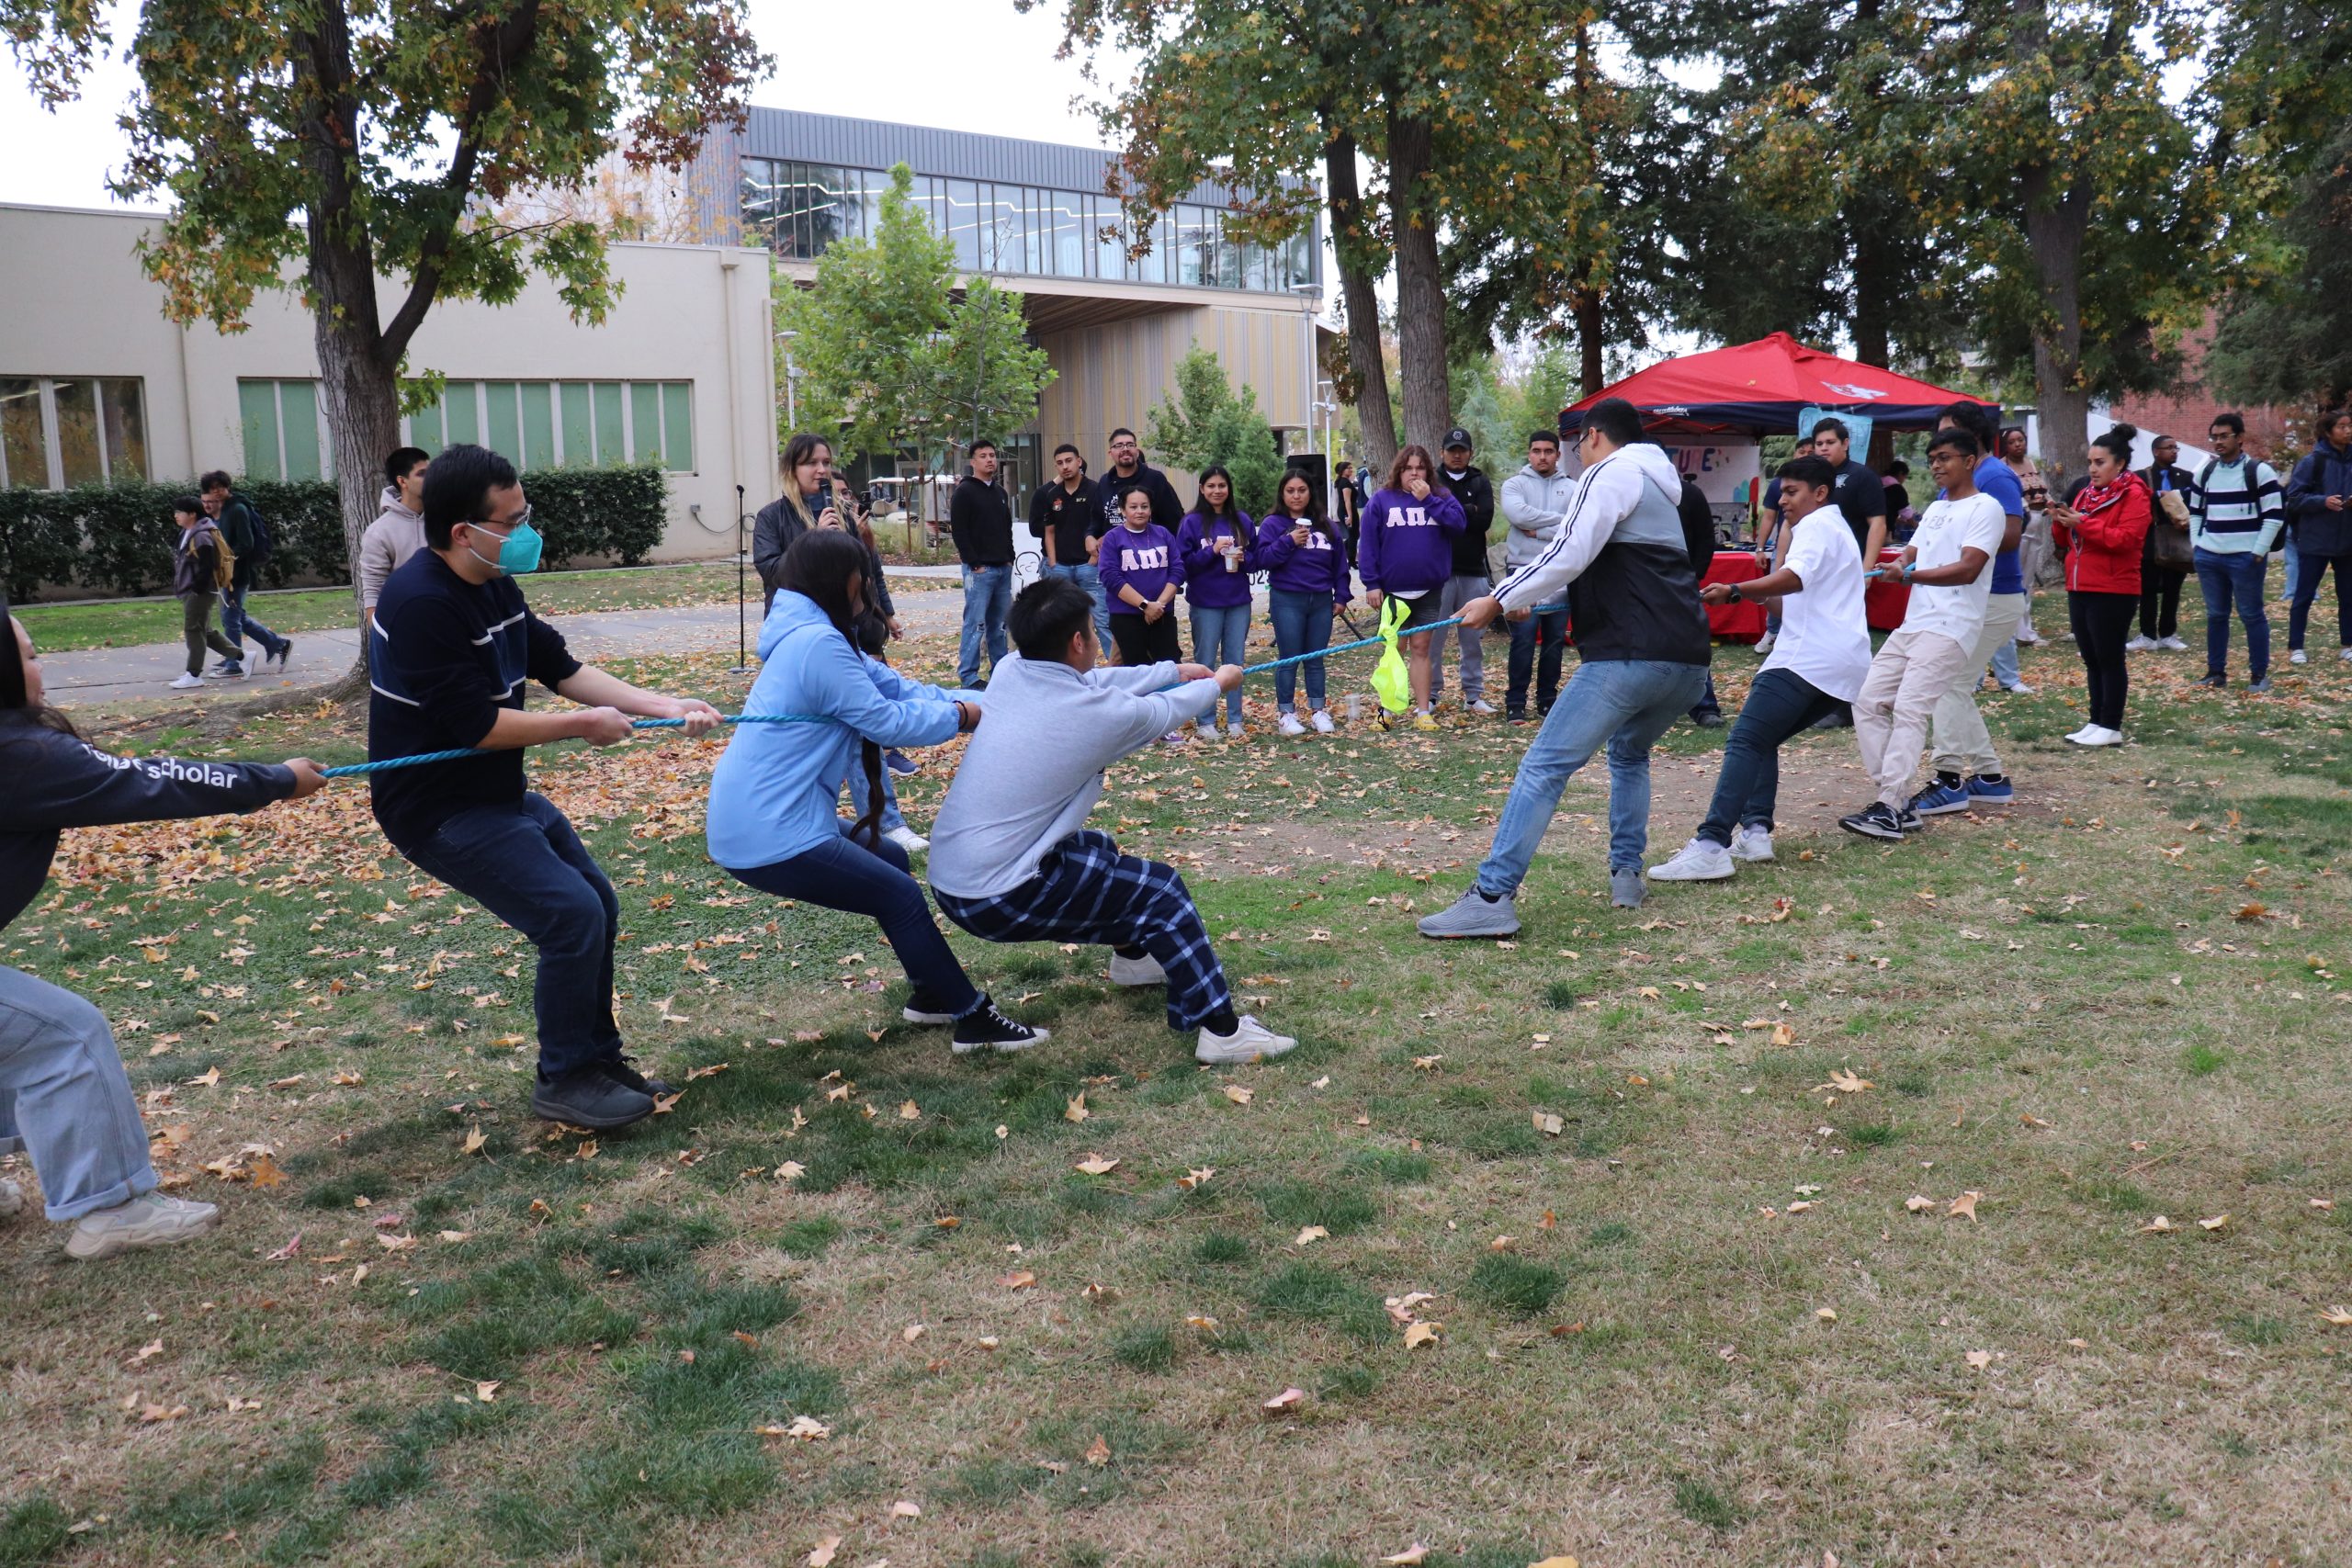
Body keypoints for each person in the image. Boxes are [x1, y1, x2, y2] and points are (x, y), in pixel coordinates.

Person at [368, 444, 723, 1130]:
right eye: (514, 518)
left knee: (596, 903)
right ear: (464, 531)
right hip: (437, 808)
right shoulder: (420, 604)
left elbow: (559, 665)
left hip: (495, 794)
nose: (527, 529)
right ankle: (564, 1078)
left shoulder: (493, 579)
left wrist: (665, 704)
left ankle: (598, 1059)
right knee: (569, 914)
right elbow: (473, 725)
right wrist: (579, 726)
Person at [1, 596, 327, 1258]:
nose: (41, 667)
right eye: (29, 657)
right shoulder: (22, 755)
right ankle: (112, 1206)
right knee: (65, 1035)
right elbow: (153, 778)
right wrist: (275, 780)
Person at [927, 576, 1296, 1066]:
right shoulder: (1095, 716)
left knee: (1097, 850)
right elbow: (1162, 711)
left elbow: (1101, 680)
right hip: (995, 896)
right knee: (1161, 891)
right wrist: (1216, 684)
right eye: (1093, 632)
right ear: (1078, 641)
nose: (1100, 642)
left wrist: (1173, 669)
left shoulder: (1014, 669)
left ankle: (1133, 961)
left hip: (954, 879)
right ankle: (1223, 1032)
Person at [706, 532, 1042, 1055]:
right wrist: (960, 716)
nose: (869, 585)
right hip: (766, 830)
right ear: (842, 581)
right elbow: (885, 721)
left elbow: (896, 689)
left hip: (767, 816)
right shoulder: (817, 644)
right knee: (900, 895)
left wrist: (988, 699)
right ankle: (973, 1019)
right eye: (863, 574)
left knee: (889, 859)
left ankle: (931, 994)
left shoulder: (816, 634)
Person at [1417, 396, 1713, 926]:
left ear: (1594, 436)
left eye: (1578, 445)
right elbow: (1616, 566)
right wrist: (1534, 596)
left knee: (1543, 767)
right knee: (1628, 754)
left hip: (1630, 657)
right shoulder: (1665, 491)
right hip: (1689, 663)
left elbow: (1569, 551)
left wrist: (1499, 597)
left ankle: (1490, 900)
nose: (1578, 455)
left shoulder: (1611, 473)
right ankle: (1627, 877)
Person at [1651, 456, 1871, 882]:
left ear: (1820, 493)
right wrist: (1754, 591)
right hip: (1843, 663)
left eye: (1791, 492)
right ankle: (1755, 831)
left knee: (1746, 739)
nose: (1782, 500)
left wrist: (1735, 590)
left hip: (1809, 657)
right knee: (1762, 738)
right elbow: (1789, 597)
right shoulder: (1837, 528)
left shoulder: (1817, 526)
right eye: (1782, 491)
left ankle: (1712, 844)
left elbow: (1794, 579)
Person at [1839, 427, 2006, 840]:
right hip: (1914, 625)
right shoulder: (1935, 508)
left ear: (1969, 461)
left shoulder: (1986, 508)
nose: (1935, 465)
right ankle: (1893, 801)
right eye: (1932, 459)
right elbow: (1912, 553)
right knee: (1868, 701)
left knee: (1911, 709)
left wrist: (1909, 576)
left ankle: (1890, 806)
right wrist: (1885, 566)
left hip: (1952, 628)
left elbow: (1968, 569)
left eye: (1945, 457)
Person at [752, 434, 918, 845]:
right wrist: (813, 543)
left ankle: (888, 824)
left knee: (862, 729)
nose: (821, 471)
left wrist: (882, 616)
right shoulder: (772, 517)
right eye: (811, 463)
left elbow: (865, 571)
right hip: (797, 642)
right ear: (792, 469)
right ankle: (796, 820)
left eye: (826, 462)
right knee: (802, 736)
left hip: (842, 638)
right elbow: (771, 570)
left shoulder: (841, 513)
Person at [1912, 400, 2029, 816]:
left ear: (1971, 442)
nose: (1938, 448)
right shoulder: (1954, 484)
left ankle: (1948, 780)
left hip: (1993, 596)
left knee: (1948, 683)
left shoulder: (1993, 475)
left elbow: (2011, 536)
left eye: (1947, 435)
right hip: (1963, 599)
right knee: (1954, 684)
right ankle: (1990, 778)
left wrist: (1963, 556)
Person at [2048, 424, 2151, 745]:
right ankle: (2096, 721)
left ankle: (2111, 725)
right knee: (2091, 657)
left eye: (2100, 462)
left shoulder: (2134, 493)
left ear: (2119, 463)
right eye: (2090, 462)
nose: (2092, 469)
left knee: (2109, 657)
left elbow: (2127, 540)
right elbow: (2067, 540)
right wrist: (2060, 521)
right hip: (2080, 584)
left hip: (2114, 587)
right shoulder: (2084, 493)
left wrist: (2084, 523)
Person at [1359, 445, 1468, 731]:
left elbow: (1458, 525)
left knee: (1422, 649)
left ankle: (1423, 712)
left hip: (1429, 590)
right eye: (1409, 468)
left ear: (1428, 471)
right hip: (1393, 592)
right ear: (1400, 470)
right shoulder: (1382, 500)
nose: (1415, 473)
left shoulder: (1440, 496)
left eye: (1420, 468)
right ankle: (1387, 711)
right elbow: (1368, 543)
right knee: (1394, 649)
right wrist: (1372, 583)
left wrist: (1428, 500)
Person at [2188, 410, 2285, 687]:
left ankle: (2259, 674)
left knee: (2252, 614)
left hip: (2246, 557)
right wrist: (2197, 545)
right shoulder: (2205, 473)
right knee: (2216, 615)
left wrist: (2258, 551)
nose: (2217, 442)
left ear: (2240, 438)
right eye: (2214, 437)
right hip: (2209, 555)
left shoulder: (2259, 471)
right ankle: (2215, 673)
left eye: (2224, 436)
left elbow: (2274, 515)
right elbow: (2195, 512)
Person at [1257, 468, 1353, 735]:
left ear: (1310, 493)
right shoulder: (1273, 524)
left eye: (1302, 490)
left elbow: (1339, 565)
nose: (1296, 496)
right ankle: (1286, 714)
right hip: (1287, 599)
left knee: (1316, 658)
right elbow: (1262, 559)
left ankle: (1318, 710)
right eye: (1290, 491)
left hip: (1321, 600)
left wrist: (1341, 596)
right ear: (1282, 493)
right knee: (1289, 658)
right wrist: (1287, 542)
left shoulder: (1326, 524)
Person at [1099, 479, 1188, 737]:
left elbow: (1177, 569)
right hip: (1127, 615)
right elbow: (1111, 577)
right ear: (1123, 511)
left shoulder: (1163, 534)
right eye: (1134, 507)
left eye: (1144, 506)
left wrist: (1159, 604)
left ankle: (1167, 724)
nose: (1140, 511)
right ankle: (1140, 725)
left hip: (1162, 613)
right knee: (1136, 669)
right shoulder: (1114, 538)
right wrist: (1144, 605)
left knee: (1166, 665)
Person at [1498, 429, 1576, 722]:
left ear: (1558, 454)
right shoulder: (1514, 485)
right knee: (1524, 638)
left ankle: (1547, 698)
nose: (1542, 456)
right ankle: (1516, 700)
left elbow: (1578, 524)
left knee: (1555, 640)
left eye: (1548, 451)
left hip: (1559, 571)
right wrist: (1561, 523)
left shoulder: (1572, 488)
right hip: (1522, 571)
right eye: (1536, 451)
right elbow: (1518, 516)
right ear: (1529, 453)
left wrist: (1541, 530)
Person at [1177, 465, 1256, 739]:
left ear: (1228, 489)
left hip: (1238, 602)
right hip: (1205, 603)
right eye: (1211, 486)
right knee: (1205, 661)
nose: (1217, 491)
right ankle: (1205, 721)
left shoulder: (1242, 520)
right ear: (1202, 489)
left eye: (1222, 486)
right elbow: (1184, 565)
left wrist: (1247, 559)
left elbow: (1257, 558)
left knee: (1235, 661)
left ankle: (1235, 719)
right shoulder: (1191, 522)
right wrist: (1211, 551)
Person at [1427, 427, 1498, 715]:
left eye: (1462, 450)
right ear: (1442, 452)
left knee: (1473, 638)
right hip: (1439, 571)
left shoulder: (1479, 479)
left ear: (1470, 453)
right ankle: (1430, 694)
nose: (1457, 455)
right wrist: (1467, 509)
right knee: (1434, 638)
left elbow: (1485, 519)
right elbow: (1432, 517)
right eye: (1452, 450)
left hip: (1473, 569)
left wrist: (1452, 510)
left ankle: (1473, 695)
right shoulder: (1432, 479)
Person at [199, 471, 292, 677]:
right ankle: (277, 644)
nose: (217, 492)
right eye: (212, 489)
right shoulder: (222, 511)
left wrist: (226, 558)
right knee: (236, 616)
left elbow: (246, 543)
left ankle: (234, 664)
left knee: (231, 619)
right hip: (226, 572)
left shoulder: (237, 509)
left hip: (236, 573)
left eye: (220, 488)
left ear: (227, 488)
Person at [2284, 407, 2352, 666]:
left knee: (2348, 596)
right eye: (2342, 427)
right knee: (2304, 595)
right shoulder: (2313, 461)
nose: (2347, 431)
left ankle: (2348, 644)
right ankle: (2296, 646)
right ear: (2327, 432)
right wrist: (2323, 501)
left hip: (2347, 539)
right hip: (2315, 539)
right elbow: (2294, 498)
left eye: (2350, 425)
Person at [948, 438, 1016, 689]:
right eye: (984, 456)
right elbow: (960, 532)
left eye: (992, 455)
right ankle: (969, 676)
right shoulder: (964, 492)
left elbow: (1006, 528)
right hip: (980, 571)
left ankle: (1000, 673)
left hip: (1002, 568)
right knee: (975, 624)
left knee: (999, 625)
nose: (990, 460)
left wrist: (1010, 558)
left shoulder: (999, 492)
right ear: (973, 462)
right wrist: (974, 563)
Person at [1028, 443, 1108, 645]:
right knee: (1061, 622)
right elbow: (1049, 531)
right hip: (1060, 568)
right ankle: (1063, 668)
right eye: (1060, 463)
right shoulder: (1052, 494)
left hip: (1088, 567)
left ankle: (1115, 668)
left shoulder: (1095, 490)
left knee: (1102, 619)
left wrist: (1094, 557)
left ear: (1079, 462)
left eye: (1069, 461)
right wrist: (1053, 562)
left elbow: (1104, 527)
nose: (1065, 466)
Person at [1751, 432, 1819, 657]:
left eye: (1811, 452)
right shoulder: (1778, 487)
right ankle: (1772, 633)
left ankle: (1798, 636)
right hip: (1784, 545)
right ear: (1794, 453)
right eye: (1802, 452)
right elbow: (1771, 518)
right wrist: (1761, 548)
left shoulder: (1823, 516)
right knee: (1777, 586)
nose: (1784, 499)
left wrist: (1738, 590)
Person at [167, 495, 243, 691]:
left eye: (179, 512)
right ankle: (241, 656)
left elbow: (207, 565)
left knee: (193, 630)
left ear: (192, 514)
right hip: (192, 589)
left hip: (199, 590)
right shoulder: (188, 531)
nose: (176, 515)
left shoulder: (201, 535)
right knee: (205, 632)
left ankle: (193, 674)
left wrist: (196, 589)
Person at [2130, 435, 2194, 652]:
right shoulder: (2141, 477)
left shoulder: (2186, 477)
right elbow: (2136, 500)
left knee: (2172, 588)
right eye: (2169, 448)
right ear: (2156, 451)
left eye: (2176, 447)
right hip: (2150, 541)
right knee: (2147, 589)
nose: (2174, 451)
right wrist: (2159, 496)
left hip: (2177, 539)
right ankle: (2147, 634)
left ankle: (2168, 633)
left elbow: (2194, 501)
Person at [359, 447, 430, 626]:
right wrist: (379, 641)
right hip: (406, 627)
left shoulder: (446, 521)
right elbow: (373, 591)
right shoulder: (379, 532)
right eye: (422, 474)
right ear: (402, 481)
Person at [1679, 471, 1727, 728]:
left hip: (1681, 583)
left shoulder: (1689, 493)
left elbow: (1706, 537)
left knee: (1692, 645)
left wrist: (1694, 574)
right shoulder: (1627, 491)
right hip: (1635, 586)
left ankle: (1705, 706)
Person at [1810, 418, 1889, 565]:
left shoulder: (1863, 476)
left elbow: (1878, 524)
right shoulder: (1809, 478)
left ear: (1845, 444)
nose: (1824, 448)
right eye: (1819, 444)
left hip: (1850, 566)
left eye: (1830, 442)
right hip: (1813, 565)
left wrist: (1867, 568)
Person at [1998, 428, 2050, 645]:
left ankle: (2024, 631)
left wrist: (2053, 505)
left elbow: (2044, 493)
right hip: (2018, 527)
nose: (2018, 444)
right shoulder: (2002, 467)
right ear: (2005, 446)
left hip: (2038, 526)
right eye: (2012, 442)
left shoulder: (2031, 464)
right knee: (2015, 578)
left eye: (2021, 440)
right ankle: (2010, 631)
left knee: (2027, 581)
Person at [1098, 427, 1184, 536]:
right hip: (1114, 549)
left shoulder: (1155, 479)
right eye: (1119, 446)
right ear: (1110, 453)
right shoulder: (1104, 482)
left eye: (1130, 445)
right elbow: (1096, 520)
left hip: (1150, 548)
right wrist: (1090, 536)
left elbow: (1173, 519)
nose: (1125, 449)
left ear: (1137, 452)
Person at [1882, 457, 1915, 537]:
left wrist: (1897, 520)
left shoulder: (1877, 483)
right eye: (1904, 477)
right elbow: (1907, 514)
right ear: (1900, 474)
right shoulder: (1897, 489)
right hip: (1885, 530)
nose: (1903, 480)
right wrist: (1916, 525)